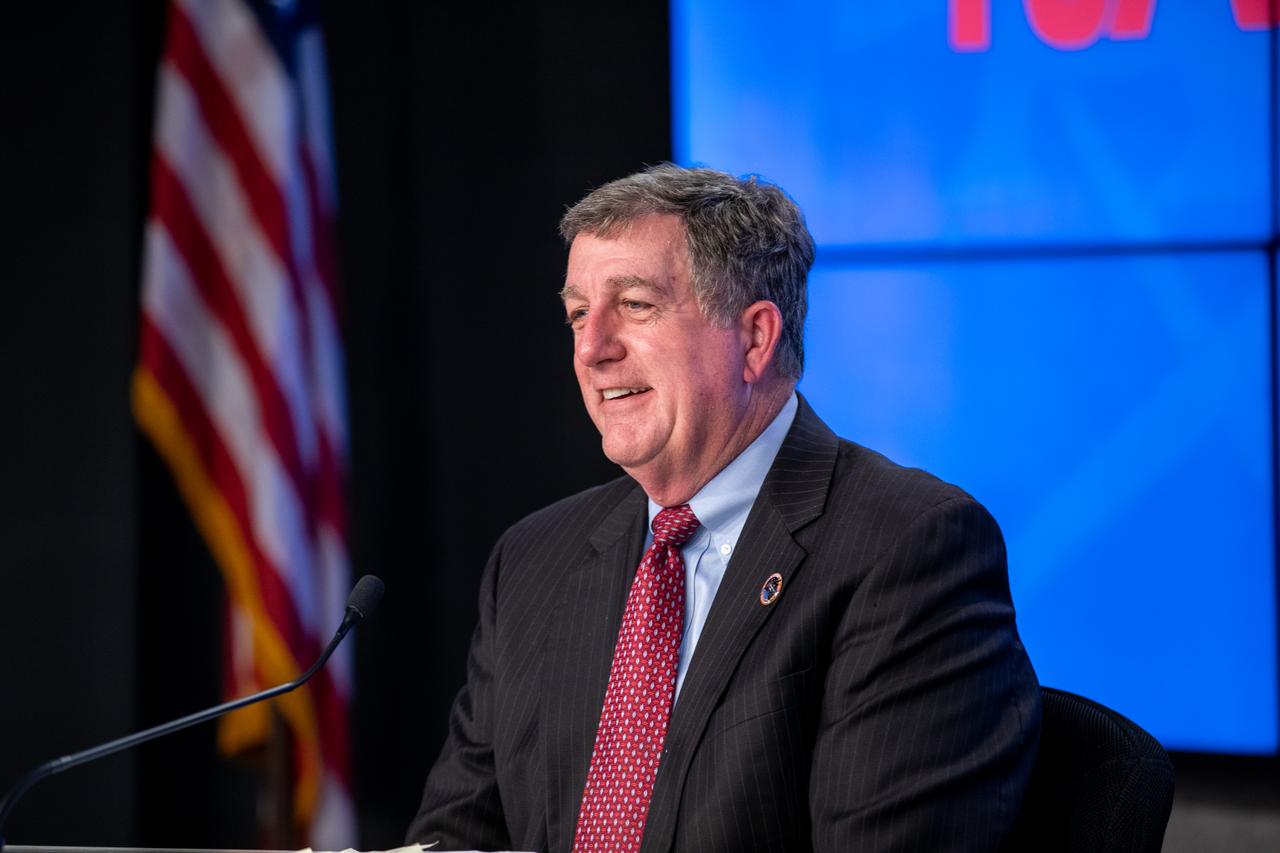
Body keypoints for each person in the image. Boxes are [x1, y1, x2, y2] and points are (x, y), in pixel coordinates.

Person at [406, 164, 1040, 852]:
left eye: (636, 304)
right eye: (579, 314)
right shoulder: (534, 559)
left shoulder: (908, 548)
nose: (591, 349)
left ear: (755, 339)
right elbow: (455, 834)